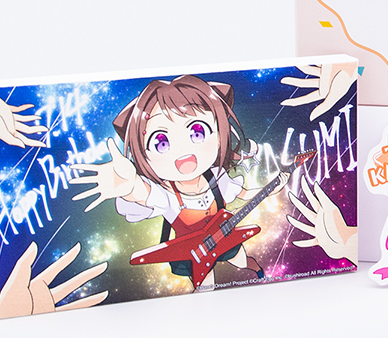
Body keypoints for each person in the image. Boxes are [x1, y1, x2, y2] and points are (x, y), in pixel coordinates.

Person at [66, 75, 285, 289]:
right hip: (194, 253)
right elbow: (143, 193)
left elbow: (244, 194)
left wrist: (273, 187)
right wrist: (128, 185)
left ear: (219, 136)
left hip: (224, 238)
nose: (183, 152)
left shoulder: (216, 177)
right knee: (206, 288)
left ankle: (254, 267)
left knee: (241, 260)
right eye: (161, 143)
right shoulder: (167, 195)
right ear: (144, 154)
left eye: (197, 132)